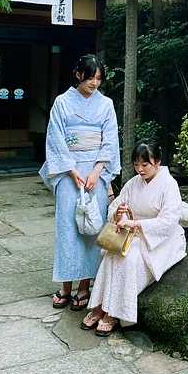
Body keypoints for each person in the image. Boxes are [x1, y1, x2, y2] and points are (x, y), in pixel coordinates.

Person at [40, 54, 121, 311]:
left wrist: (98, 172)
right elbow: (56, 138)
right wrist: (72, 171)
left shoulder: (106, 104)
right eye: (90, 78)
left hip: (95, 171)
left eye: (98, 79)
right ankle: (66, 286)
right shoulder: (62, 102)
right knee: (67, 228)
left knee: (92, 228)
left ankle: (84, 286)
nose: (94, 83)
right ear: (78, 75)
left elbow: (109, 140)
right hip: (68, 171)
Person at [82, 140, 187, 336]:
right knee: (111, 254)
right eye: (136, 164)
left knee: (128, 258)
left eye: (144, 164)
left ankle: (114, 313)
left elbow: (169, 221)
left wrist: (137, 224)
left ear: (157, 162)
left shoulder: (169, 185)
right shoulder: (133, 183)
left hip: (161, 238)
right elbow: (116, 207)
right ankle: (100, 306)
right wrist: (120, 213)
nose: (140, 169)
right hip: (133, 232)